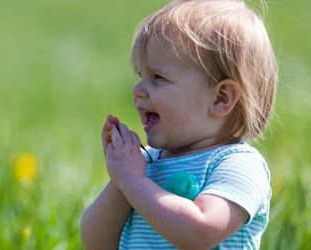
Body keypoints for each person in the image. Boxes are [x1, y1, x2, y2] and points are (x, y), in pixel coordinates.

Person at [80, 0, 277, 249]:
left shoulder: (237, 165)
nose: (138, 90)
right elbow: (96, 243)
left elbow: (199, 232)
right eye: (141, 76)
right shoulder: (146, 164)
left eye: (158, 78)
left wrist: (133, 182)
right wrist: (120, 182)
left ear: (220, 98)